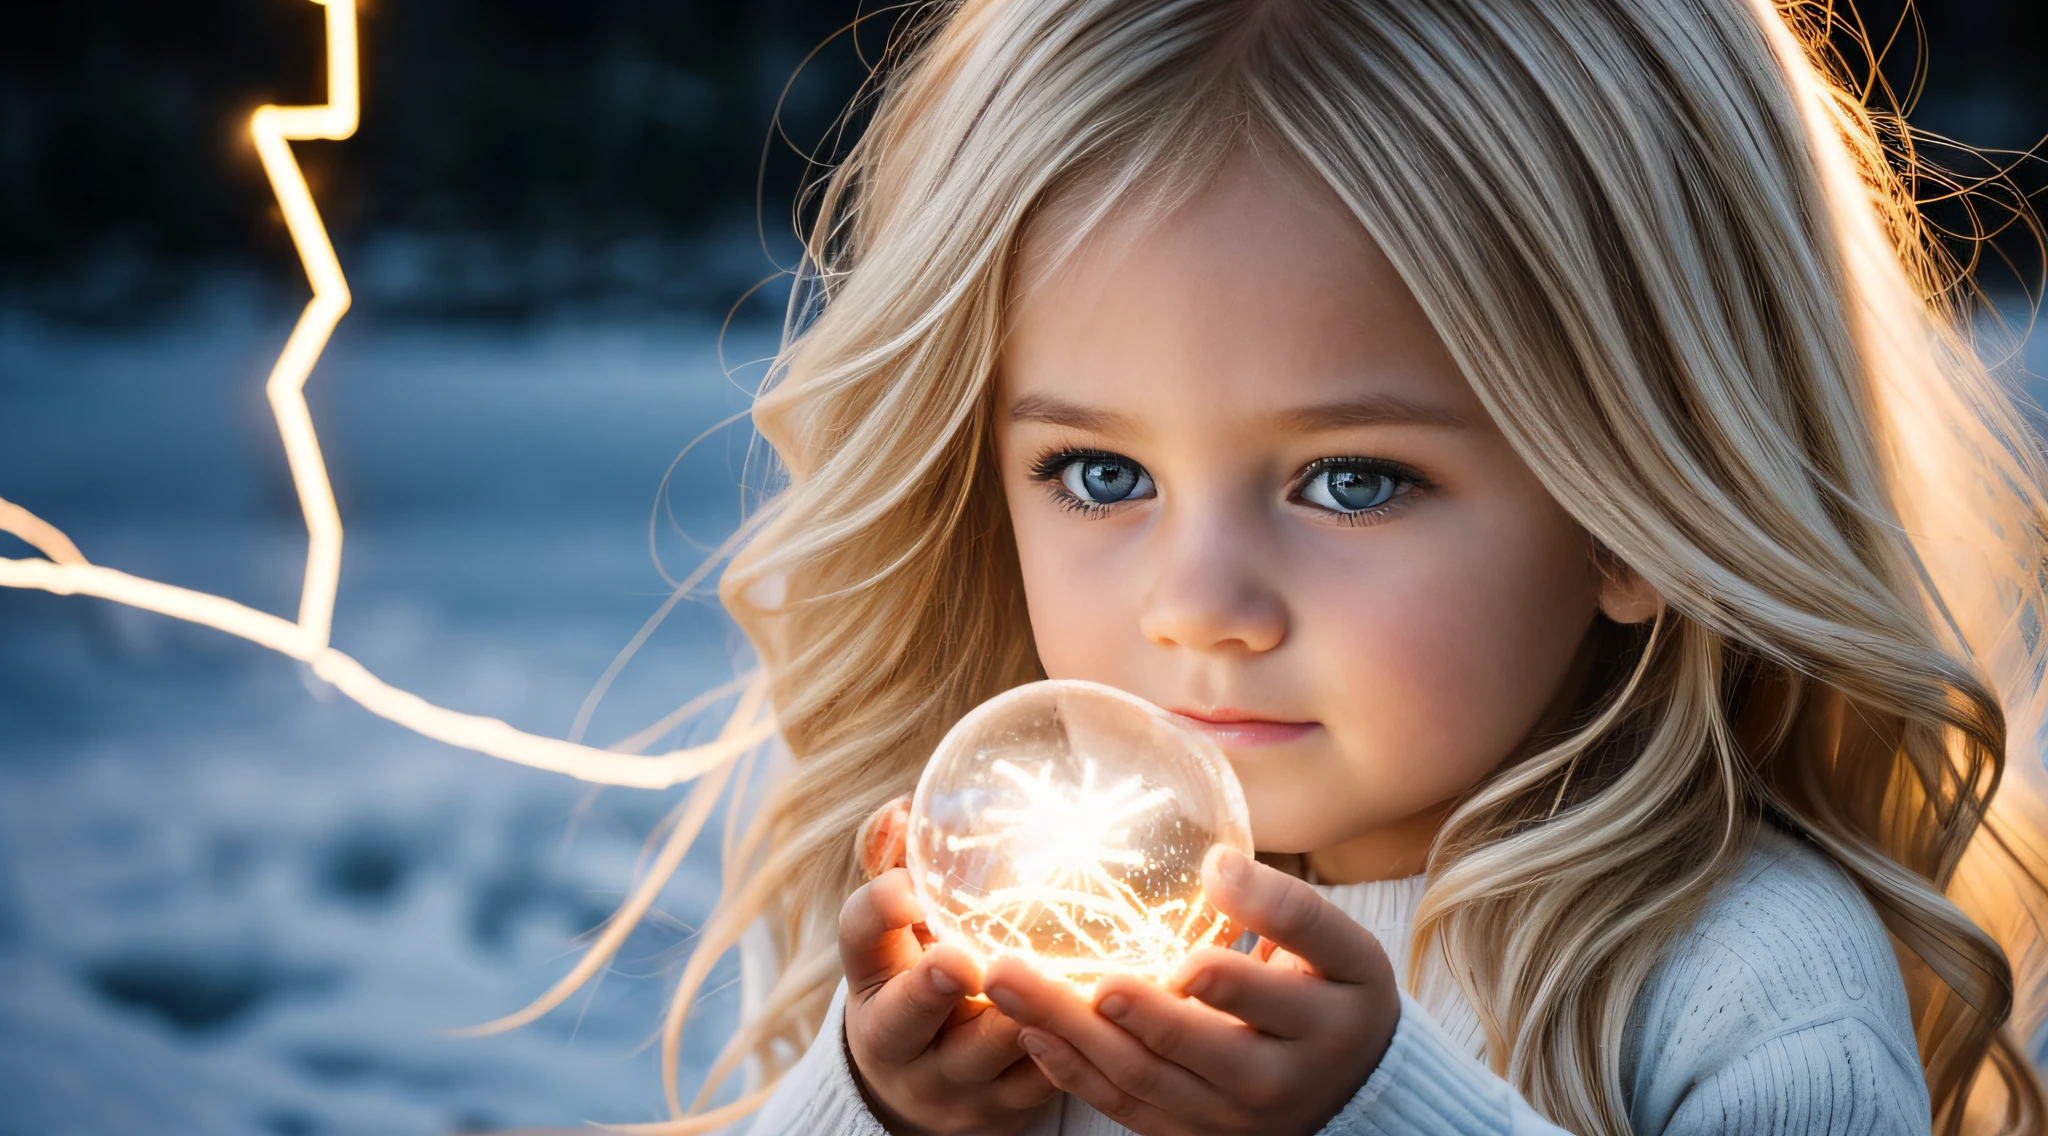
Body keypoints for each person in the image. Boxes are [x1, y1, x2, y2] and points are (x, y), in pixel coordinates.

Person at [550, 0, 2048, 1132]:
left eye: (1352, 482)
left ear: (1638, 508)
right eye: (1100, 475)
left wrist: (1378, 1110)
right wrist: (886, 1110)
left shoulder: (1738, 972)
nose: (1197, 604)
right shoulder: (1018, 948)